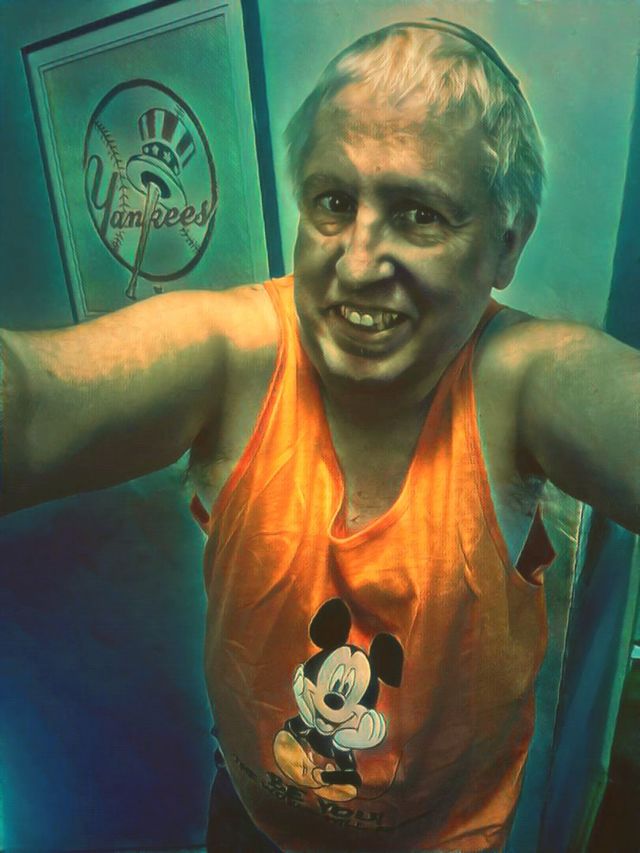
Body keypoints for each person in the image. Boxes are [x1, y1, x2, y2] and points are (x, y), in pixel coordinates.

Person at [1, 18, 638, 853]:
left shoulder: (520, 382)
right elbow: (29, 404)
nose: (358, 262)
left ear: (505, 245)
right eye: (335, 202)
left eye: (420, 214)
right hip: (250, 823)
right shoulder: (238, 354)